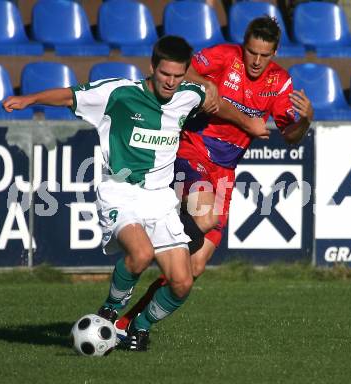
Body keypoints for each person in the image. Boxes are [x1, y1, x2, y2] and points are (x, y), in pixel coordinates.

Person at [2, 35, 263, 352]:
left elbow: (215, 103)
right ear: (152, 67)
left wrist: (235, 110)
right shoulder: (118, 93)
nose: (170, 82)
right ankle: (110, 308)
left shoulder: (189, 94)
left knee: (182, 282)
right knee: (140, 254)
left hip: (161, 199)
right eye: (165, 74)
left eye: (178, 76)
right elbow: (69, 96)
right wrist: (29, 100)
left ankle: (138, 329)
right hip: (121, 192)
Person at [114, 16, 314, 337]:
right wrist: (207, 85)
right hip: (193, 148)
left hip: (226, 168)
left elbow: (290, 135)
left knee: (194, 268)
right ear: (244, 46)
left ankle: (131, 326)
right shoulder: (223, 56)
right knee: (203, 217)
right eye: (251, 52)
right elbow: (186, 69)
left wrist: (304, 121)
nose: (256, 61)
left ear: (274, 53)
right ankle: (148, 244)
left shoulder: (280, 82)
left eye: (264, 55)